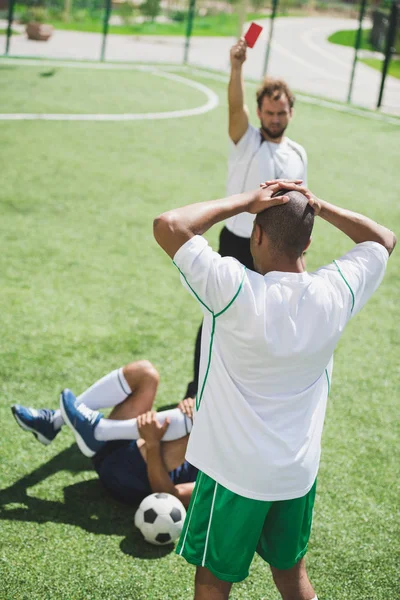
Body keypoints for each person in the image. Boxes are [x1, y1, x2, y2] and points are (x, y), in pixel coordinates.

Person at [153, 179, 396, 599]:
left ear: (258, 234)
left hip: (234, 474)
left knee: (212, 582)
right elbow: (384, 239)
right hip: (296, 474)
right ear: (309, 242)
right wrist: (319, 205)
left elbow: (169, 224)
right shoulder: (335, 292)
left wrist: (246, 201)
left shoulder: (234, 292)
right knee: (290, 576)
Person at [185, 38, 307, 399]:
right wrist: (237, 67)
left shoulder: (299, 154)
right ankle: (197, 391)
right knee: (218, 317)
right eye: (269, 113)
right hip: (237, 244)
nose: (274, 119)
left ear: (291, 113)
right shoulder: (245, 140)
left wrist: (298, 254)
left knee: (266, 322)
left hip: (279, 252)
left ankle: (248, 389)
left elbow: (299, 209)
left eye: (281, 112)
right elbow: (234, 105)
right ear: (259, 113)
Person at [11, 361, 197, 507]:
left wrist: (153, 443)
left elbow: (173, 495)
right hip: (119, 447)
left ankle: (99, 431)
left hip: (130, 477)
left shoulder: (224, 479)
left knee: (200, 424)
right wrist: (193, 402)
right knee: (145, 373)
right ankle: (54, 422)